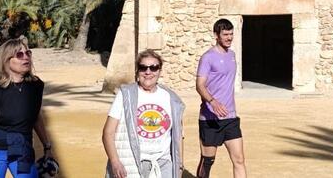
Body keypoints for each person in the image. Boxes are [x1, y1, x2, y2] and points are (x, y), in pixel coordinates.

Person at [0, 38, 53, 178]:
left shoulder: (35, 86)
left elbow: (35, 117)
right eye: (19, 55)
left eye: (28, 53)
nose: (25, 57)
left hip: (22, 147)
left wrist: (47, 146)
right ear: (6, 60)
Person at [102, 49, 185, 178]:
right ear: (137, 71)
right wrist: (115, 162)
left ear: (159, 71)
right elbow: (108, 132)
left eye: (153, 68)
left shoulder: (171, 98)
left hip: (163, 164)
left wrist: (179, 165)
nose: (148, 72)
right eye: (143, 67)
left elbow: (178, 136)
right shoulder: (125, 95)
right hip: (131, 163)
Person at [195, 19, 247, 178]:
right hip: (210, 118)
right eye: (225, 34)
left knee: (239, 160)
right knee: (208, 161)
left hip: (230, 117)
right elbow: (200, 85)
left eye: (231, 34)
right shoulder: (208, 57)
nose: (229, 38)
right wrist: (213, 102)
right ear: (216, 35)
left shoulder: (232, 55)